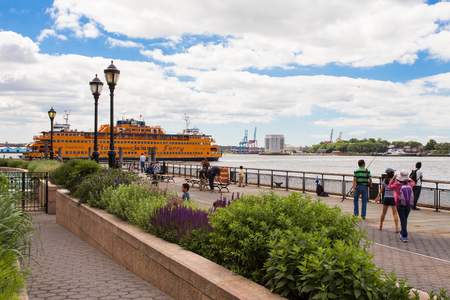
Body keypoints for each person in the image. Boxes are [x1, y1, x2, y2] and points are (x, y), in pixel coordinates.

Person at [389, 170, 415, 242]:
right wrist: (409, 178)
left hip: (400, 203)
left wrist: (393, 179)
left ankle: (404, 236)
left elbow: (390, 187)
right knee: (404, 219)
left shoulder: (397, 184)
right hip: (409, 204)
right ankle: (403, 232)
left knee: (403, 220)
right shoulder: (409, 184)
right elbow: (414, 183)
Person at [375, 168, 399, 232]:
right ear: (392, 173)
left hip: (386, 197)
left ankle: (380, 225)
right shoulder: (395, 181)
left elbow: (381, 190)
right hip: (393, 198)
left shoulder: (384, 180)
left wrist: (377, 197)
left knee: (383, 213)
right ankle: (397, 228)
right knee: (395, 213)